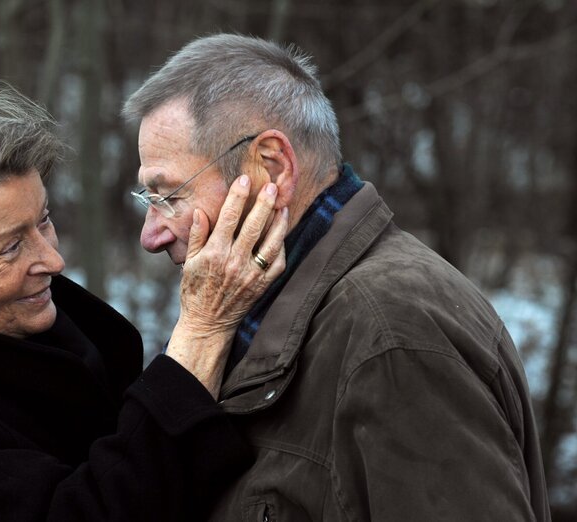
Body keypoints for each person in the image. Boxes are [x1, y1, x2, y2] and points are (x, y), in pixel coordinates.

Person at [123, 33, 550, 521]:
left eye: (168, 196)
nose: (151, 236)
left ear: (271, 167)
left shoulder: (392, 332)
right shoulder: (268, 322)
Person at [0, 82, 289, 521]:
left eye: (43, 220)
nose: (53, 259)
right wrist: (203, 329)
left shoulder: (69, 333)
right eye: (9, 247)